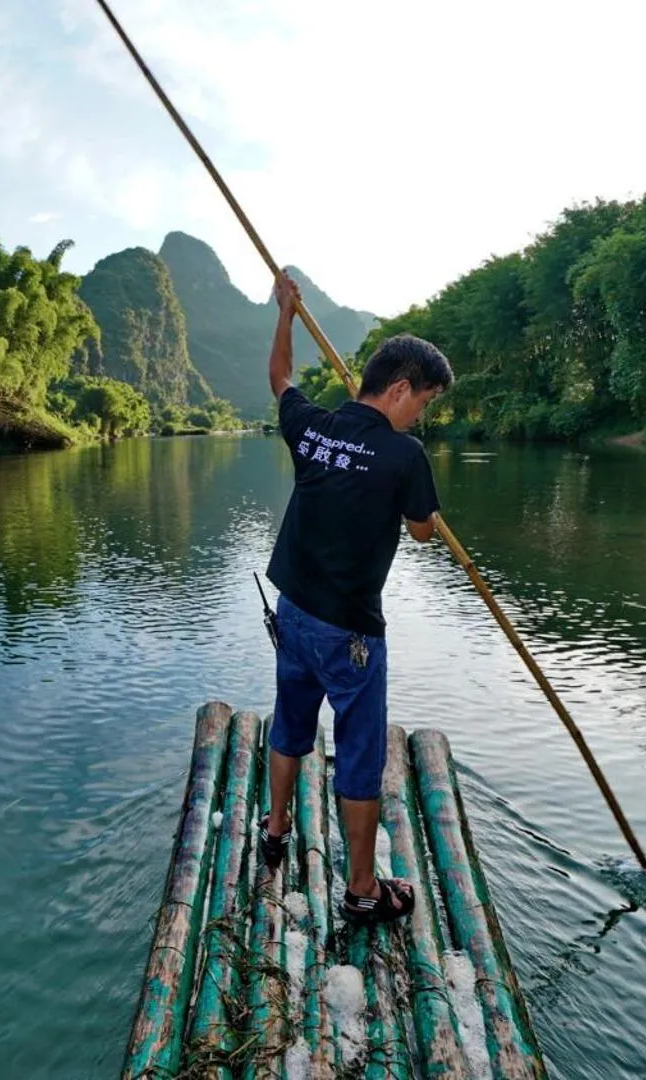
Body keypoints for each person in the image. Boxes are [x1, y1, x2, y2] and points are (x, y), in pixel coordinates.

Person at [258, 272, 453, 926]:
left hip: (293, 614)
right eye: (421, 402)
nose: (419, 415)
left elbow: (280, 378)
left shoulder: (310, 427)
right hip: (351, 635)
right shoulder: (403, 456)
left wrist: (285, 312)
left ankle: (276, 826)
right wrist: (416, 507)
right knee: (361, 754)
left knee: (289, 723)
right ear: (399, 389)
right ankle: (363, 888)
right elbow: (424, 532)